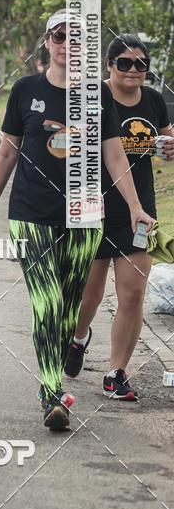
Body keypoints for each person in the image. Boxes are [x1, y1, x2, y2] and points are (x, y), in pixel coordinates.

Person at [0, 10, 155, 432]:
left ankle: (56, 377)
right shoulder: (25, 89)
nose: (68, 43)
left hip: (86, 216)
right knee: (46, 302)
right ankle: (52, 391)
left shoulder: (96, 95)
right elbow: (7, 153)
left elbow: (114, 154)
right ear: (47, 42)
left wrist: (136, 205)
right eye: (60, 36)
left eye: (78, 37)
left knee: (67, 309)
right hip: (30, 215)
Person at [65, 34, 174, 399]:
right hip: (93, 208)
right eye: (124, 63)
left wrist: (169, 146)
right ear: (109, 65)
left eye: (140, 64)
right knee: (88, 296)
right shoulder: (92, 96)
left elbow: (165, 139)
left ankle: (116, 373)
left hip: (138, 208)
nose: (133, 70)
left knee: (132, 294)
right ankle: (79, 337)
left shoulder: (155, 101)